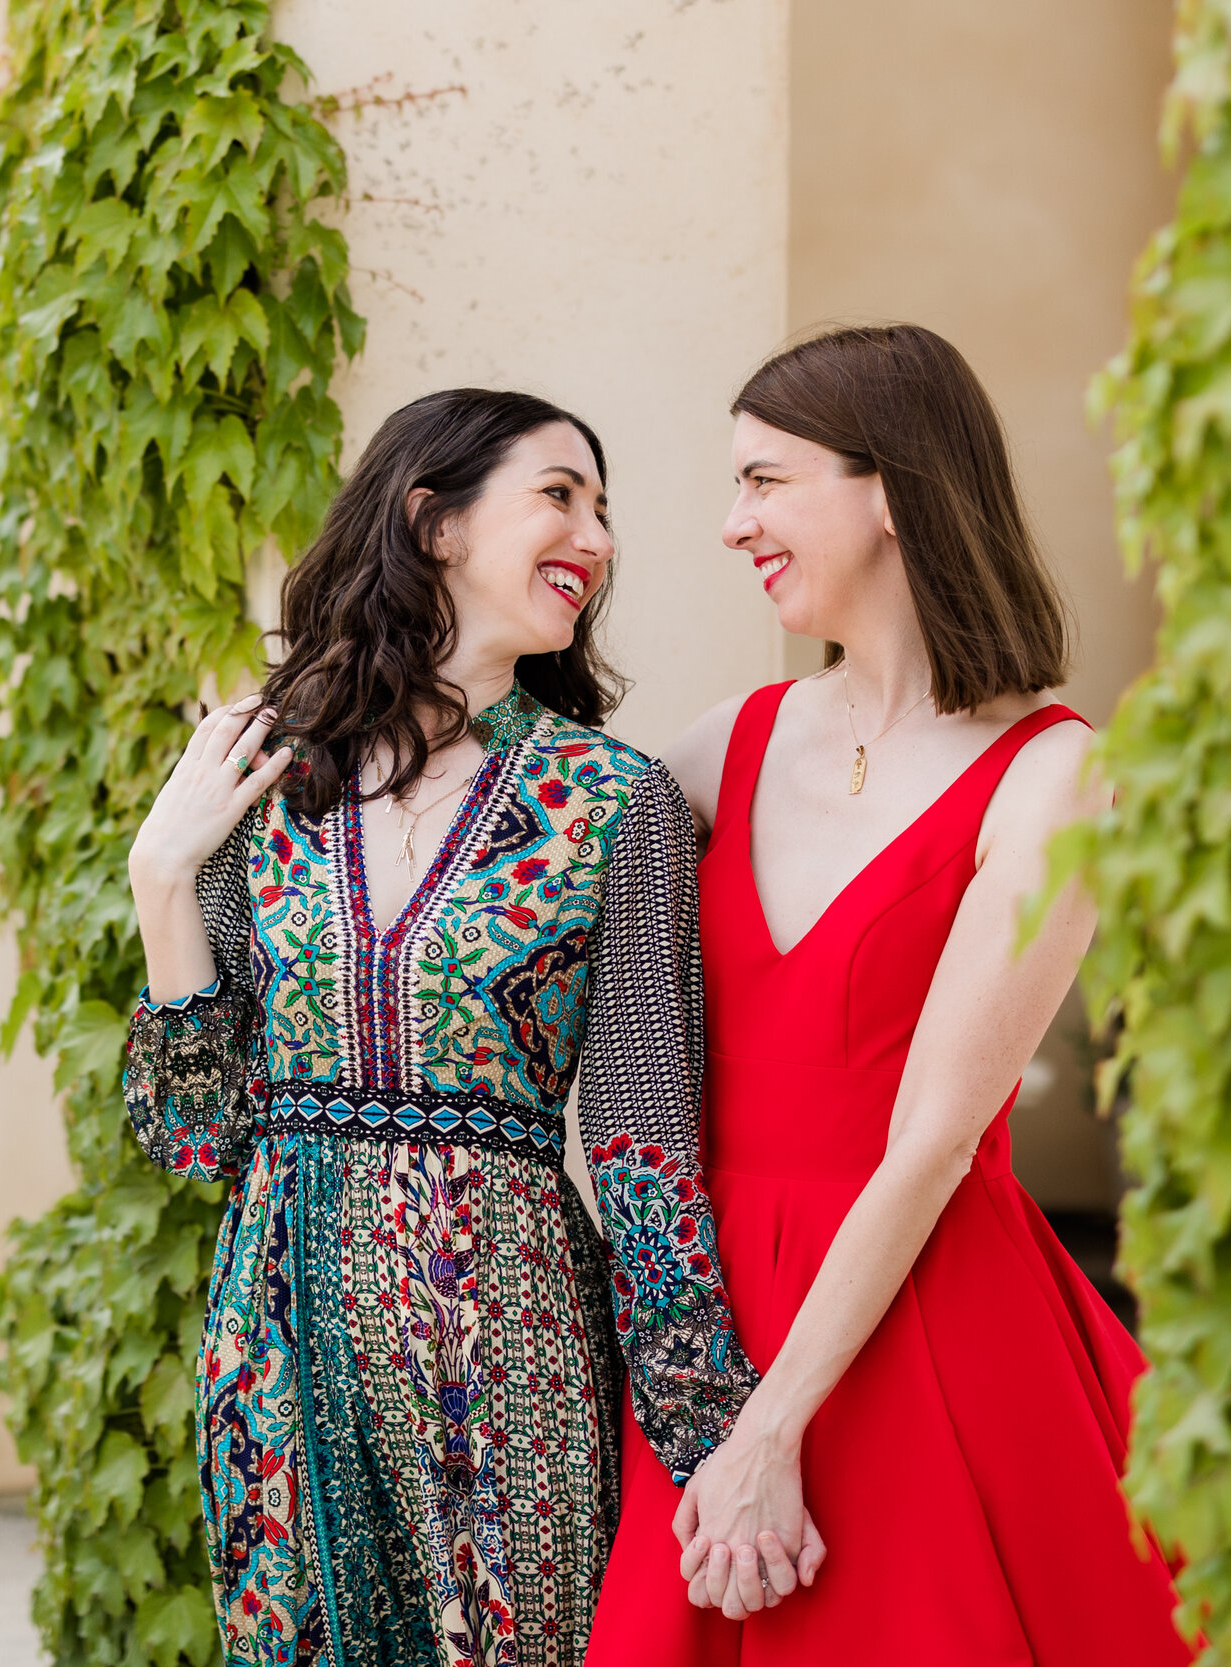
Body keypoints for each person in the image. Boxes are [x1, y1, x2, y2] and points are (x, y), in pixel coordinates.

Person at [122, 388, 800, 1667]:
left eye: (604, 510)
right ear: (432, 521)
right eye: (560, 495)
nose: (595, 538)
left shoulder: (614, 800)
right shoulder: (262, 773)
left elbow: (648, 1136)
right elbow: (193, 1138)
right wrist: (164, 881)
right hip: (275, 1332)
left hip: (516, 1328)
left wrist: (717, 1431)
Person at [587, 326, 1193, 1664]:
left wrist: (766, 1430)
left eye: (764, 480)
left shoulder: (1053, 773)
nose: (731, 520)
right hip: (710, 1303)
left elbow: (928, 1139)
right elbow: (519, 845)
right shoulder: (725, 740)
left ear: (891, 486)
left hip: (917, 1320)